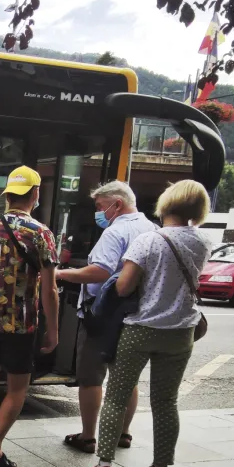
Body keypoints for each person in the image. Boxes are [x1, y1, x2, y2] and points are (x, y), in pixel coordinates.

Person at [84, 180, 214, 467]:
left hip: (141, 329)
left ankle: (103, 464)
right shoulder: (203, 242)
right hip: (181, 332)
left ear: (166, 203)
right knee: (166, 402)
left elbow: (124, 286)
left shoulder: (148, 240)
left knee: (116, 396)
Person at [0, 166, 59, 467]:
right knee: (18, 386)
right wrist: (53, 330)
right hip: (20, 322)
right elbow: (50, 289)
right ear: (35, 194)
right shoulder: (41, 233)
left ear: (7, 195)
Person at [55, 181, 156, 453]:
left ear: (117, 204)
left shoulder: (116, 231)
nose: (98, 213)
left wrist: (60, 274)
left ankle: (88, 437)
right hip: (137, 314)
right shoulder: (153, 230)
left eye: (101, 207)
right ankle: (123, 434)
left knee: (91, 377)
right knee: (127, 377)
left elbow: (99, 271)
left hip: (103, 315)